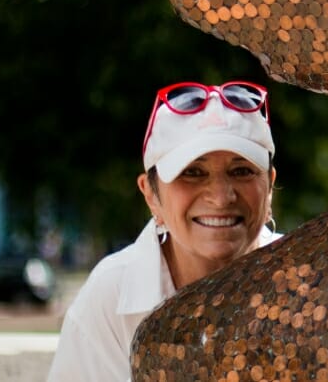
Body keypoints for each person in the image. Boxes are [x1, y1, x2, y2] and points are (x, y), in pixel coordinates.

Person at [47, 80, 282, 382]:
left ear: (270, 185)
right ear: (151, 195)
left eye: (242, 171)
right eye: (192, 173)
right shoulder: (111, 296)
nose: (222, 196)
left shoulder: (308, 282)